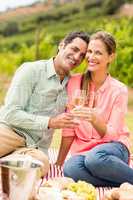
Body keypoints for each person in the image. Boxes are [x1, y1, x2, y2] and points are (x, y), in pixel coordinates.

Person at [0, 31, 89, 176]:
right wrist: (50, 122)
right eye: (74, 49)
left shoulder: (72, 85)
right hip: (9, 132)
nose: (77, 57)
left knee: (41, 166)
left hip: (34, 148)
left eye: (82, 55)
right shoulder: (31, 70)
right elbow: (9, 113)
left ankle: (9, 162)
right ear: (61, 45)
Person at [56, 31, 133, 187]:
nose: (91, 57)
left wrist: (94, 119)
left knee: (95, 159)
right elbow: (69, 129)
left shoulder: (119, 90)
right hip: (84, 152)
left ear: (110, 57)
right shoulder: (74, 83)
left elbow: (112, 135)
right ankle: (121, 182)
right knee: (70, 169)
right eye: (89, 52)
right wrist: (59, 163)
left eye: (98, 53)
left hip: (114, 148)